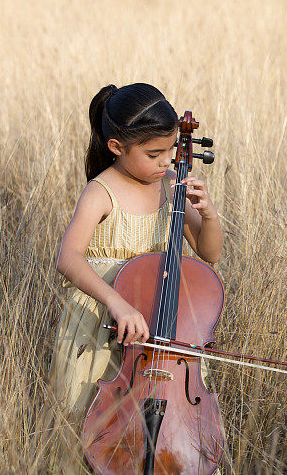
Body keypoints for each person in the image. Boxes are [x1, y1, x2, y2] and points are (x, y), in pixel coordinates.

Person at [49, 82, 224, 423]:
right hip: (102, 321)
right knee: (91, 416)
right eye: (153, 154)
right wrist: (115, 302)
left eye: (171, 149)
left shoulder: (171, 184)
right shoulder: (100, 192)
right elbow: (68, 258)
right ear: (117, 147)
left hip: (158, 321)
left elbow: (210, 253)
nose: (167, 161)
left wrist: (209, 214)